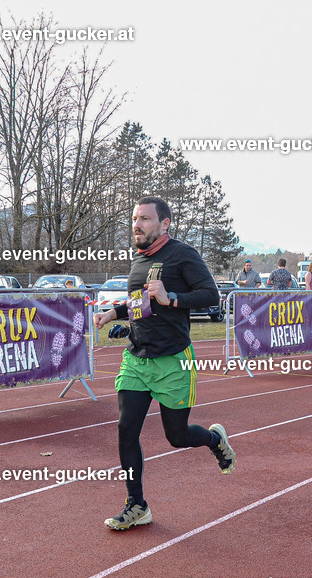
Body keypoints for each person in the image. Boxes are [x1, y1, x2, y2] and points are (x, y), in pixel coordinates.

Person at [93, 196, 236, 531]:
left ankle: (215, 440)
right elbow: (140, 302)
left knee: (178, 436)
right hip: (137, 358)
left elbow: (211, 295)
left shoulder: (182, 254)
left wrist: (171, 298)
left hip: (173, 360)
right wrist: (113, 313)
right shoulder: (139, 260)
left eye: (144, 218)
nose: (137, 225)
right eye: (134, 219)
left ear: (164, 223)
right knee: (126, 429)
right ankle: (137, 504)